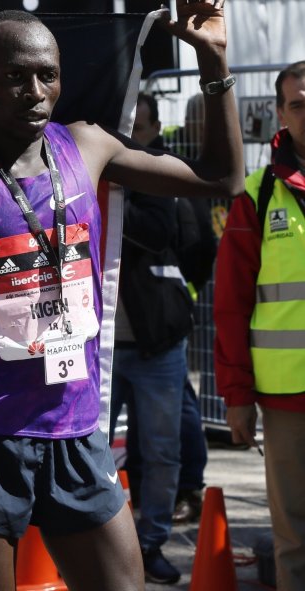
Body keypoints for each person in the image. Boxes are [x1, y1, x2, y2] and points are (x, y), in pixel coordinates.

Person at [0, 4, 242, 590]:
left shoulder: (88, 145)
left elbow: (222, 179)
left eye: (47, 74)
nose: (35, 92)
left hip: (75, 433)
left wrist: (213, 60)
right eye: (15, 76)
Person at [215, 60, 305, 591]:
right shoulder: (256, 193)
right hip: (286, 396)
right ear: (280, 113)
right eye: (298, 104)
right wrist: (236, 394)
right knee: (294, 535)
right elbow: (230, 305)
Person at [108, 92, 193, 584]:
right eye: (126, 128)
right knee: (90, 449)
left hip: (158, 341)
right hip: (101, 348)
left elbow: (164, 234)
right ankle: (100, 541)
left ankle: (152, 542)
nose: (133, 139)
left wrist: (114, 193)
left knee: (162, 450)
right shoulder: (84, 168)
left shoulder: (159, 170)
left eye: (140, 129)